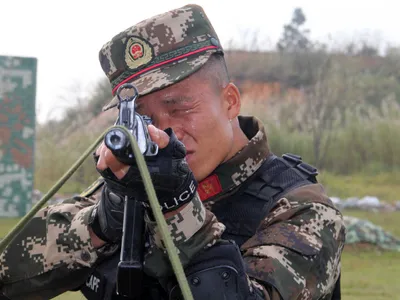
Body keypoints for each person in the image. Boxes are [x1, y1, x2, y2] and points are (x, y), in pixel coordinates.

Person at [0, 4, 346, 300]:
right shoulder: (134, 190)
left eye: (179, 108)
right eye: (145, 118)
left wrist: (178, 206)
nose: (164, 131)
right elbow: (8, 275)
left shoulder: (303, 209)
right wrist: (102, 223)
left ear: (229, 101)